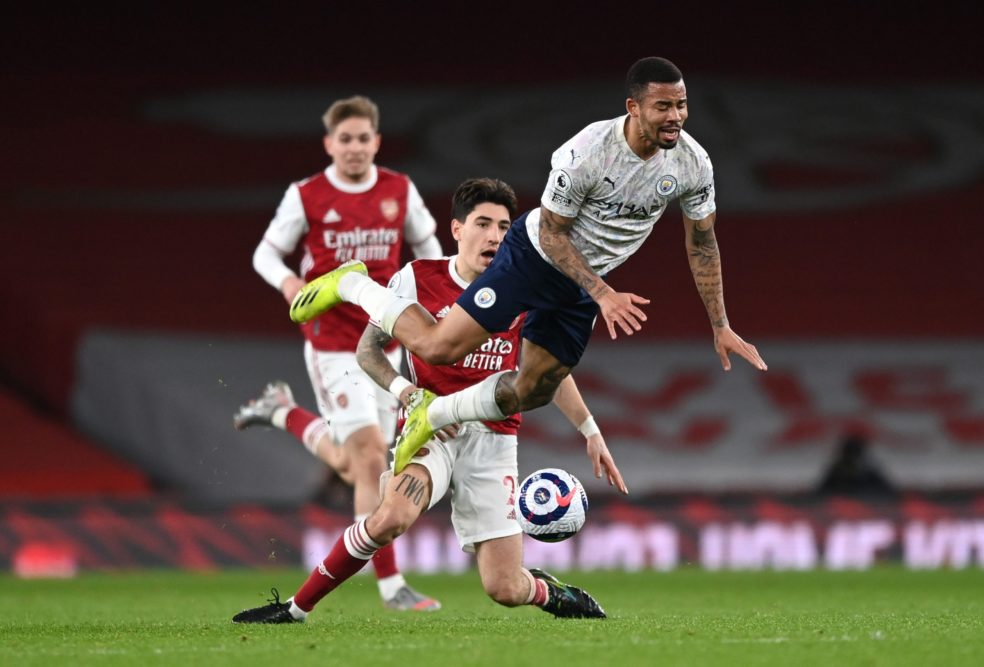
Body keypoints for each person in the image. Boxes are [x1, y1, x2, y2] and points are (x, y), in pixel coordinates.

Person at [289, 57, 768, 475]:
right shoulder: (588, 152)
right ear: (634, 108)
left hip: (583, 284)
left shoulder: (692, 164)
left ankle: (432, 415)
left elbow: (702, 243)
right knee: (439, 347)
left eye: (682, 105)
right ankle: (353, 284)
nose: (676, 117)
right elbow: (552, 233)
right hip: (534, 258)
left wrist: (720, 324)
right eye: (663, 107)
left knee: (536, 389)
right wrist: (601, 293)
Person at [232, 177, 627, 624]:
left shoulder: (526, 290)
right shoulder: (419, 278)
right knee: (389, 519)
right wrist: (406, 392)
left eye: (503, 226)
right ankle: (294, 608)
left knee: (506, 588)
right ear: (457, 229)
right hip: (430, 429)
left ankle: (550, 592)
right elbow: (368, 350)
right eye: (483, 223)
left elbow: (547, 374)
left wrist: (590, 431)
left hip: (493, 442)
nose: (494, 236)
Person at [238, 94, 444, 611]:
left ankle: (283, 413)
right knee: (374, 456)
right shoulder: (307, 194)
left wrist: (433, 298)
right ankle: (392, 586)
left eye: (363, 139)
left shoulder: (399, 189)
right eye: (344, 139)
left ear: (376, 142)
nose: (354, 148)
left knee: (360, 465)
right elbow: (265, 252)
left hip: (385, 340)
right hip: (332, 345)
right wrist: (289, 284)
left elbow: (429, 244)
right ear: (330, 144)